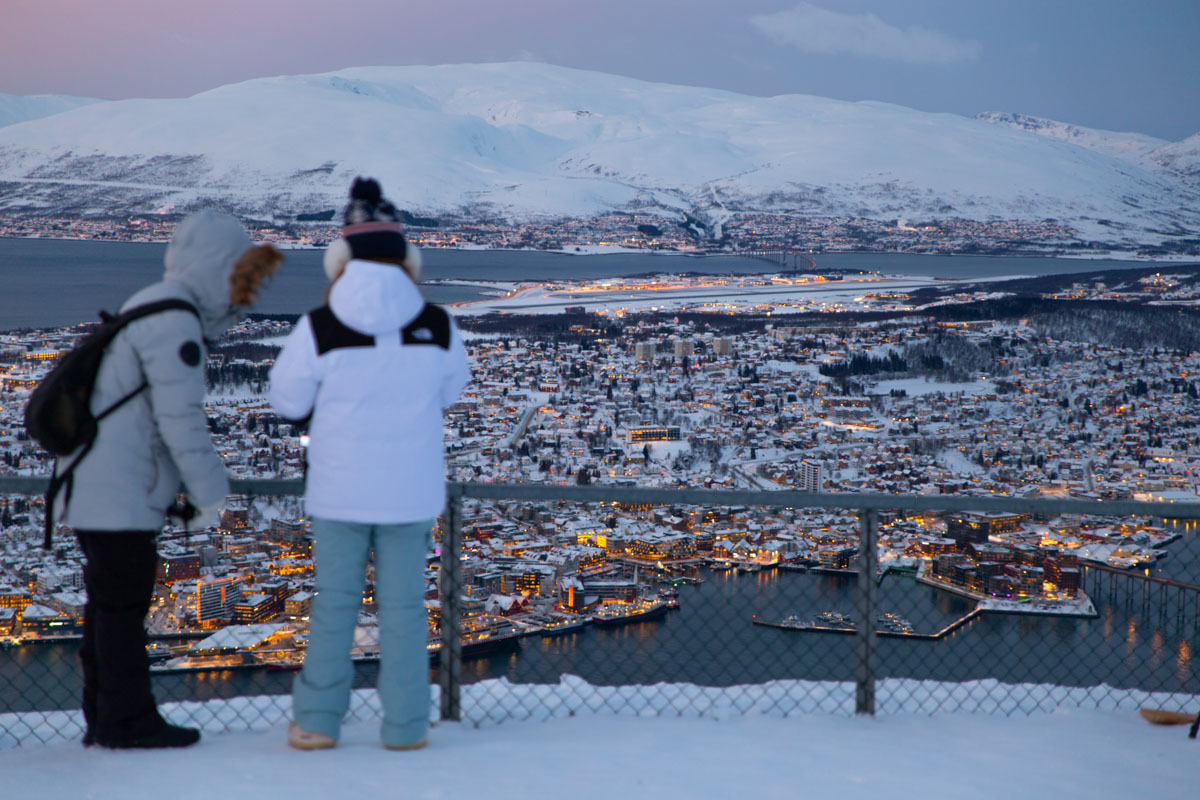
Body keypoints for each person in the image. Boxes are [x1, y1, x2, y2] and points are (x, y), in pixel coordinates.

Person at [57, 210, 282, 749]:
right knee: (122, 612)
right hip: (120, 491)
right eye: (238, 274)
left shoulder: (150, 306)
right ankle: (128, 721)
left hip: (98, 482)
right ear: (218, 269)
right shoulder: (176, 323)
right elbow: (180, 422)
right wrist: (209, 496)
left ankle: (105, 717)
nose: (243, 289)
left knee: (107, 612)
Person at [268, 177, 470, 751]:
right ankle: (406, 726)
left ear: (341, 259)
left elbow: (286, 400)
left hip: (339, 492)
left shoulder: (320, 326)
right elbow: (452, 389)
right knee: (405, 610)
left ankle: (316, 722)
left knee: (335, 605)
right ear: (408, 258)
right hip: (411, 493)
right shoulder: (436, 324)